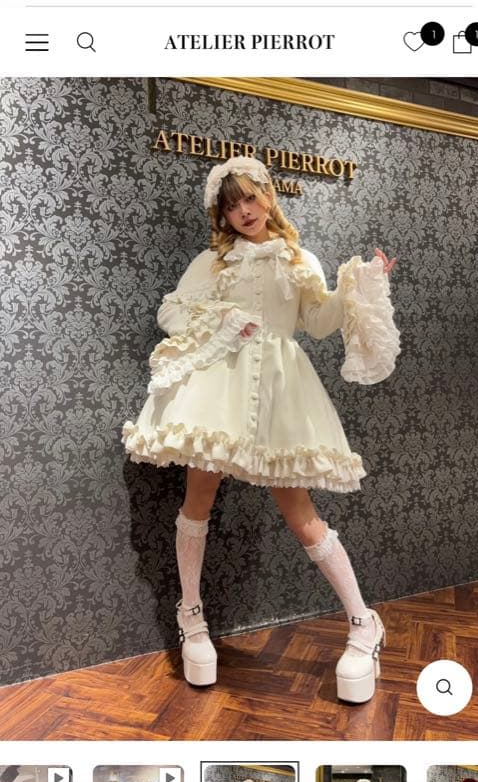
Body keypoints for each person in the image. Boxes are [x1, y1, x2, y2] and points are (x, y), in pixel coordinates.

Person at [122, 156, 400, 703]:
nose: (244, 211)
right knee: (198, 499)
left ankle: (363, 621)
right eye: (232, 205)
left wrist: (359, 286)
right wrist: (222, 319)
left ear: (269, 196)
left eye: (250, 198)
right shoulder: (212, 261)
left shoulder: (299, 258)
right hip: (218, 392)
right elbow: (172, 312)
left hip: (280, 389)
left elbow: (318, 322)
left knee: (300, 513)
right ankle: (192, 617)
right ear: (222, 214)